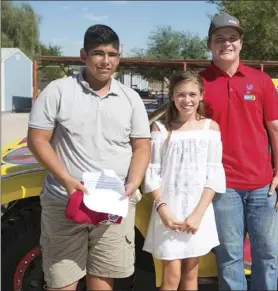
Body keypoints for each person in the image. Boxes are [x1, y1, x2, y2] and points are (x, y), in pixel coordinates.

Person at [27, 24, 151, 290]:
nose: (105, 61)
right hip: (65, 202)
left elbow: (141, 147)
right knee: (61, 281)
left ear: (119, 56)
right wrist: (66, 179)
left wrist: (133, 182)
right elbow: (37, 140)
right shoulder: (58, 92)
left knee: (103, 280)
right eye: (98, 53)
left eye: (111, 54)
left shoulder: (131, 98)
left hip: (112, 206)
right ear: (84, 55)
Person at [199, 13, 278, 291]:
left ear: (241, 43)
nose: (227, 43)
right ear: (209, 43)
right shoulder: (198, 83)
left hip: (263, 185)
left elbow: (277, 129)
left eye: (232, 38)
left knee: (267, 256)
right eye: (219, 38)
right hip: (221, 187)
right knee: (229, 258)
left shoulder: (260, 80)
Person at [142, 71, 226, 291]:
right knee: (171, 277)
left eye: (192, 94)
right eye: (181, 94)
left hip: (198, 212)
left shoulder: (210, 128)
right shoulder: (160, 129)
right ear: (171, 96)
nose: (187, 100)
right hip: (168, 212)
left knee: (191, 273)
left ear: (201, 96)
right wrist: (163, 210)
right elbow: (153, 172)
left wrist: (198, 214)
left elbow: (214, 174)